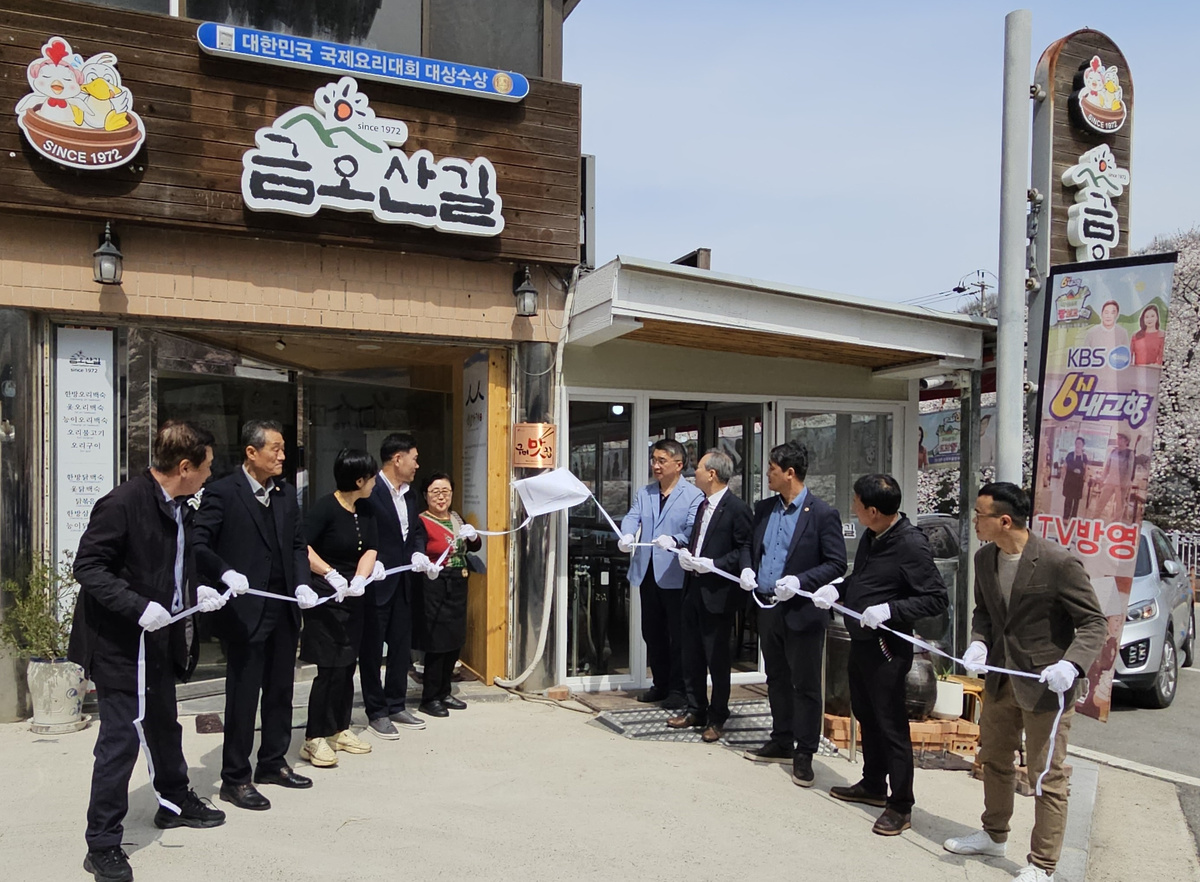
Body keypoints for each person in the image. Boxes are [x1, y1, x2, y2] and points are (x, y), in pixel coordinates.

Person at [69, 420, 226, 882]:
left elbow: (174, 564)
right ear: (185, 467)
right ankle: (102, 844)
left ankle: (174, 800)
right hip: (120, 644)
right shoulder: (123, 503)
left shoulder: (178, 506)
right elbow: (88, 567)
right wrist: (137, 606)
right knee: (119, 741)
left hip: (159, 638)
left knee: (163, 724)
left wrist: (200, 589)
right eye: (207, 467)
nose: (209, 475)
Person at [944, 482, 1106, 882]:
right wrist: (979, 643)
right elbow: (985, 613)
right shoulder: (985, 558)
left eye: (979, 515)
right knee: (994, 759)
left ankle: (1043, 864)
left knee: (1046, 774)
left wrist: (1072, 664)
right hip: (1002, 679)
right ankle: (993, 834)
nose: (974, 521)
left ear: (1004, 520)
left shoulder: (1057, 562)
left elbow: (1093, 622)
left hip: (1048, 686)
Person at [192, 420, 313, 811]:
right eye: (275, 449)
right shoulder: (222, 491)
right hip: (245, 610)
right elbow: (200, 543)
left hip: (282, 606)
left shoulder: (285, 493)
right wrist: (224, 572)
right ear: (251, 452)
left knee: (280, 690)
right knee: (243, 697)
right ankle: (235, 778)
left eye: (283, 449)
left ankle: (273, 762)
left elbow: (297, 545)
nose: (282, 456)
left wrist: (301, 584)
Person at [819, 474, 947, 836]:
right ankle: (873, 782)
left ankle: (901, 804)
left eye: (857, 503)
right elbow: (864, 580)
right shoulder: (871, 536)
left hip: (887, 648)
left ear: (873, 510)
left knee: (891, 724)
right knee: (865, 713)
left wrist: (891, 610)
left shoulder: (910, 545)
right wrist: (838, 589)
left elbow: (935, 598)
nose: (853, 507)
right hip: (861, 641)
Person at [742, 440, 847, 790]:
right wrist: (747, 568)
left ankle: (805, 751)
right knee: (776, 677)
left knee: (805, 683)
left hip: (801, 611)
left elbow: (836, 563)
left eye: (772, 470)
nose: (767, 475)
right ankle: (782, 737)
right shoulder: (764, 508)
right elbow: (750, 546)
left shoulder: (821, 514)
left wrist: (801, 581)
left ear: (790, 473)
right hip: (768, 606)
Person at [300, 448, 380, 767]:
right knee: (328, 668)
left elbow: (371, 547)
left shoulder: (366, 508)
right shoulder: (324, 508)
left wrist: (361, 577)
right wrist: (330, 573)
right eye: (371, 477)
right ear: (359, 480)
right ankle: (313, 736)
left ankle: (338, 729)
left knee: (347, 665)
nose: (374, 482)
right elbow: (303, 547)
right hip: (326, 597)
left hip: (353, 595)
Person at [667, 448, 753, 742]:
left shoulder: (737, 509)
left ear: (712, 474)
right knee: (690, 653)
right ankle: (695, 708)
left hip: (717, 595)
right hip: (693, 589)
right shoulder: (703, 505)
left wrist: (714, 564)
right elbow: (698, 541)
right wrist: (685, 554)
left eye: (699, 468)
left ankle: (717, 716)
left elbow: (744, 549)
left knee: (716, 659)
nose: (695, 473)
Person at [619, 439, 705, 709]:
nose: (655, 466)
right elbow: (632, 516)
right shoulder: (645, 493)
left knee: (678, 635)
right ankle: (660, 683)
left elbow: (693, 529)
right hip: (647, 573)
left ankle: (679, 690)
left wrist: (675, 540)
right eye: (653, 460)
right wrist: (627, 534)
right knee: (652, 632)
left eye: (661, 461)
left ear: (678, 465)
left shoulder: (693, 496)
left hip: (675, 575)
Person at [362, 433, 429, 738]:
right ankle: (376, 711)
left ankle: (396, 703)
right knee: (372, 650)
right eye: (414, 458)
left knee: (401, 648)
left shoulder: (411, 495)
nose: (417, 465)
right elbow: (363, 531)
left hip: (404, 582)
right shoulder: (371, 490)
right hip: (376, 582)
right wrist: (370, 561)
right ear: (397, 459)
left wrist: (418, 552)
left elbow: (416, 531)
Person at [415, 472, 483, 717]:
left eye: (446, 491)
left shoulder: (456, 517)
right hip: (435, 584)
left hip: (458, 582)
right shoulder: (422, 521)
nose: (441, 497)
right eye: (435, 492)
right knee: (437, 641)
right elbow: (418, 548)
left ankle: (444, 691)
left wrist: (473, 536)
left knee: (455, 638)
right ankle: (430, 696)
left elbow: (474, 546)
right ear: (426, 496)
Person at [1095, 433, 1135, 521]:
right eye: (1118, 438)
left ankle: (1116, 521)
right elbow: (1107, 466)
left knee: (1119, 504)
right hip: (1110, 481)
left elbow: (1130, 469)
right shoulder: (1113, 451)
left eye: (1121, 438)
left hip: (1121, 483)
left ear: (1126, 441)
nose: (1118, 440)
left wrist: (1126, 482)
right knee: (1102, 501)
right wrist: (1102, 479)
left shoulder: (1129, 453)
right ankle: (1095, 517)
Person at [1060, 437, 1090, 521]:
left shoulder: (1084, 457)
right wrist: (1062, 477)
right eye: (1076, 443)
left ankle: (1073, 518)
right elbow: (1065, 466)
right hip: (1069, 480)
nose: (1078, 445)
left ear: (1083, 445)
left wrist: (1086, 478)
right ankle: (1066, 517)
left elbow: (1086, 468)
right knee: (1068, 499)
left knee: (1076, 500)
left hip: (1079, 481)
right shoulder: (1070, 455)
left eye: (1080, 443)